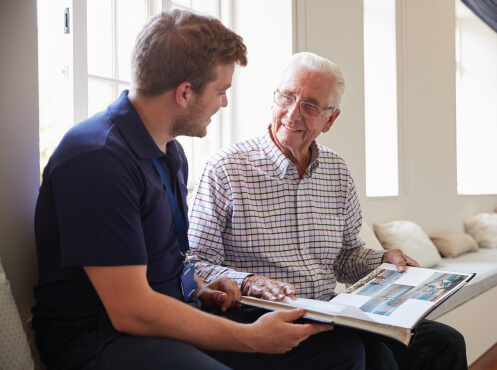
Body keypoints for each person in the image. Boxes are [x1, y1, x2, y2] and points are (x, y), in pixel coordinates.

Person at [30, 11, 373, 370]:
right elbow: (130, 311)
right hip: (99, 338)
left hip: (168, 314)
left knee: (341, 352)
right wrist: (252, 338)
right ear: (184, 93)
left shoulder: (169, 152)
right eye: (221, 91)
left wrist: (196, 286)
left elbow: (170, 262)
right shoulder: (97, 158)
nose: (224, 103)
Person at [188, 52, 468, 369]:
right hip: (259, 315)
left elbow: (346, 257)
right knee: (373, 357)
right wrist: (248, 280)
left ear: (330, 120)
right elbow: (196, 263)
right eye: (287, 97)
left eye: (309, 106)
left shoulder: (336, 171)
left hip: (331, 310)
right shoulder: (225, 168)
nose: (293, 113)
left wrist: (383, 259)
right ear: (274, 99)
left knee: (445, 344)